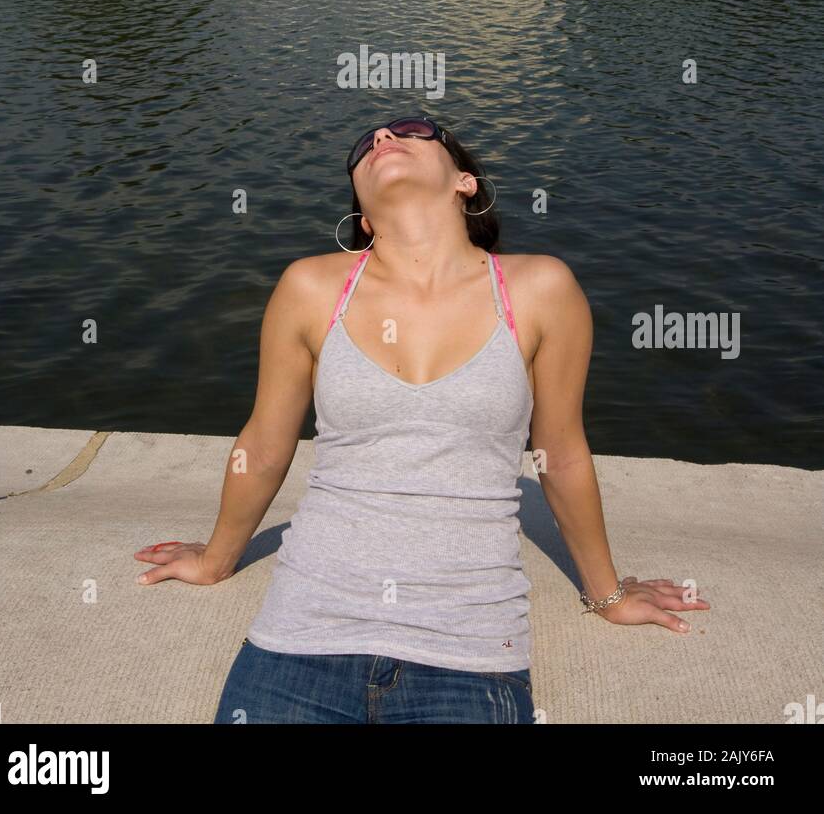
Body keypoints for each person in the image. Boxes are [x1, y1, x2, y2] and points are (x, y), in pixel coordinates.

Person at [134, 117, 709, 725]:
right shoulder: (311, 286)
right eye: (364, 145)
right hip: (305, 631)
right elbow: (266, 443)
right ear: (361, 214)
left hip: (469, 645)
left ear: (465, 181)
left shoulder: (540, 288)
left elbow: (561, 453)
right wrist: (217, 558)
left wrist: (609, 593)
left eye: (410, 130)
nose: (382, 138)